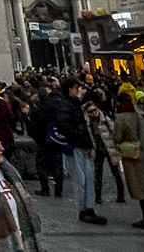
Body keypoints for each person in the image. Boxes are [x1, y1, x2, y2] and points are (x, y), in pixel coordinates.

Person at [44, 76, 106, 225]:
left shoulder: (73, 103)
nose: (79, 90)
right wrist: (78, 135)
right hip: (76, 145)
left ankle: (88, 208)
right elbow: (64, 124)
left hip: (82, 144)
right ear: (70, 88)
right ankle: (84, 209)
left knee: (88, 177)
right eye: (76, 87)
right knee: (81, 179)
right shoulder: (66, 104)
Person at [111, 92, 144, 230]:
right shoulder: (136, 115)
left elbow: (117, 137)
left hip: (133, 156)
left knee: (140, 189)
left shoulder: (121, 118)